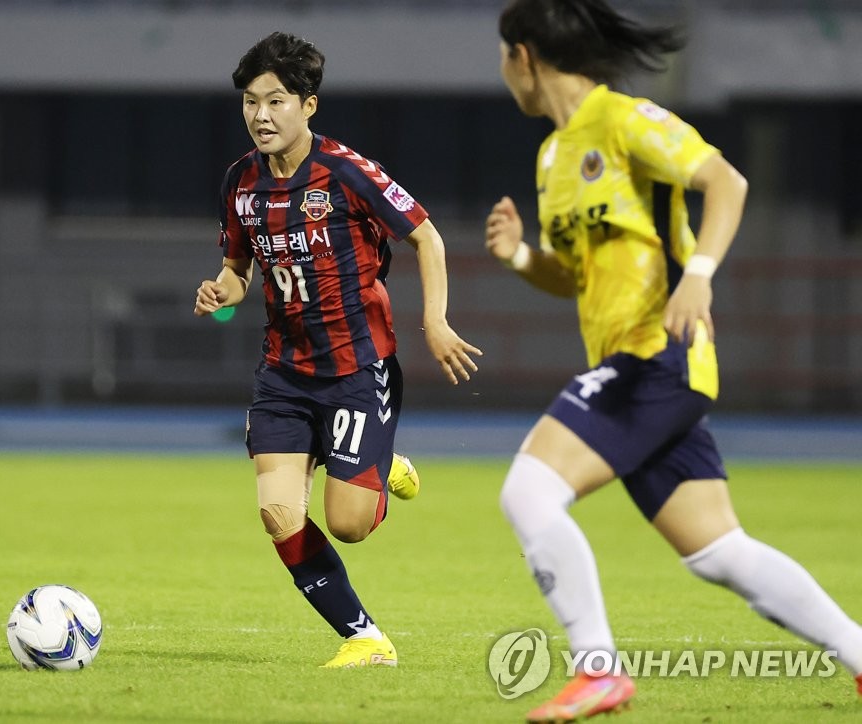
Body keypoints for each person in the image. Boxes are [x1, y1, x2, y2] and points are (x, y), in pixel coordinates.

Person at [485, 0, 862, 720]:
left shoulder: (627, 121)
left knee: (528, 492)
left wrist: (700, 273)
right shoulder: (555, 156)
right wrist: (522, 256)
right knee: (719, 551)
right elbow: (574, 275)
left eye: (504, 57)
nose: (503, 73)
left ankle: (598, 669)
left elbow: (727, 183)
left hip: (659, 351)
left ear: (525, 56)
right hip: (635, 367)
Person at [194, 31, 481, 668]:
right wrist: (223, 290)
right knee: (277, 513)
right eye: (249, 102)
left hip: (357, 368)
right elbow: (238, 269)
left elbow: (426, 236)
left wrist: (434, 321)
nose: (260, 115)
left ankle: (378, 465)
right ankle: (365, 639)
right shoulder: (240, 183)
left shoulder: (347, 172)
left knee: (349, 521)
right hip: (283, 373)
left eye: (275, 101)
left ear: (308, 105)